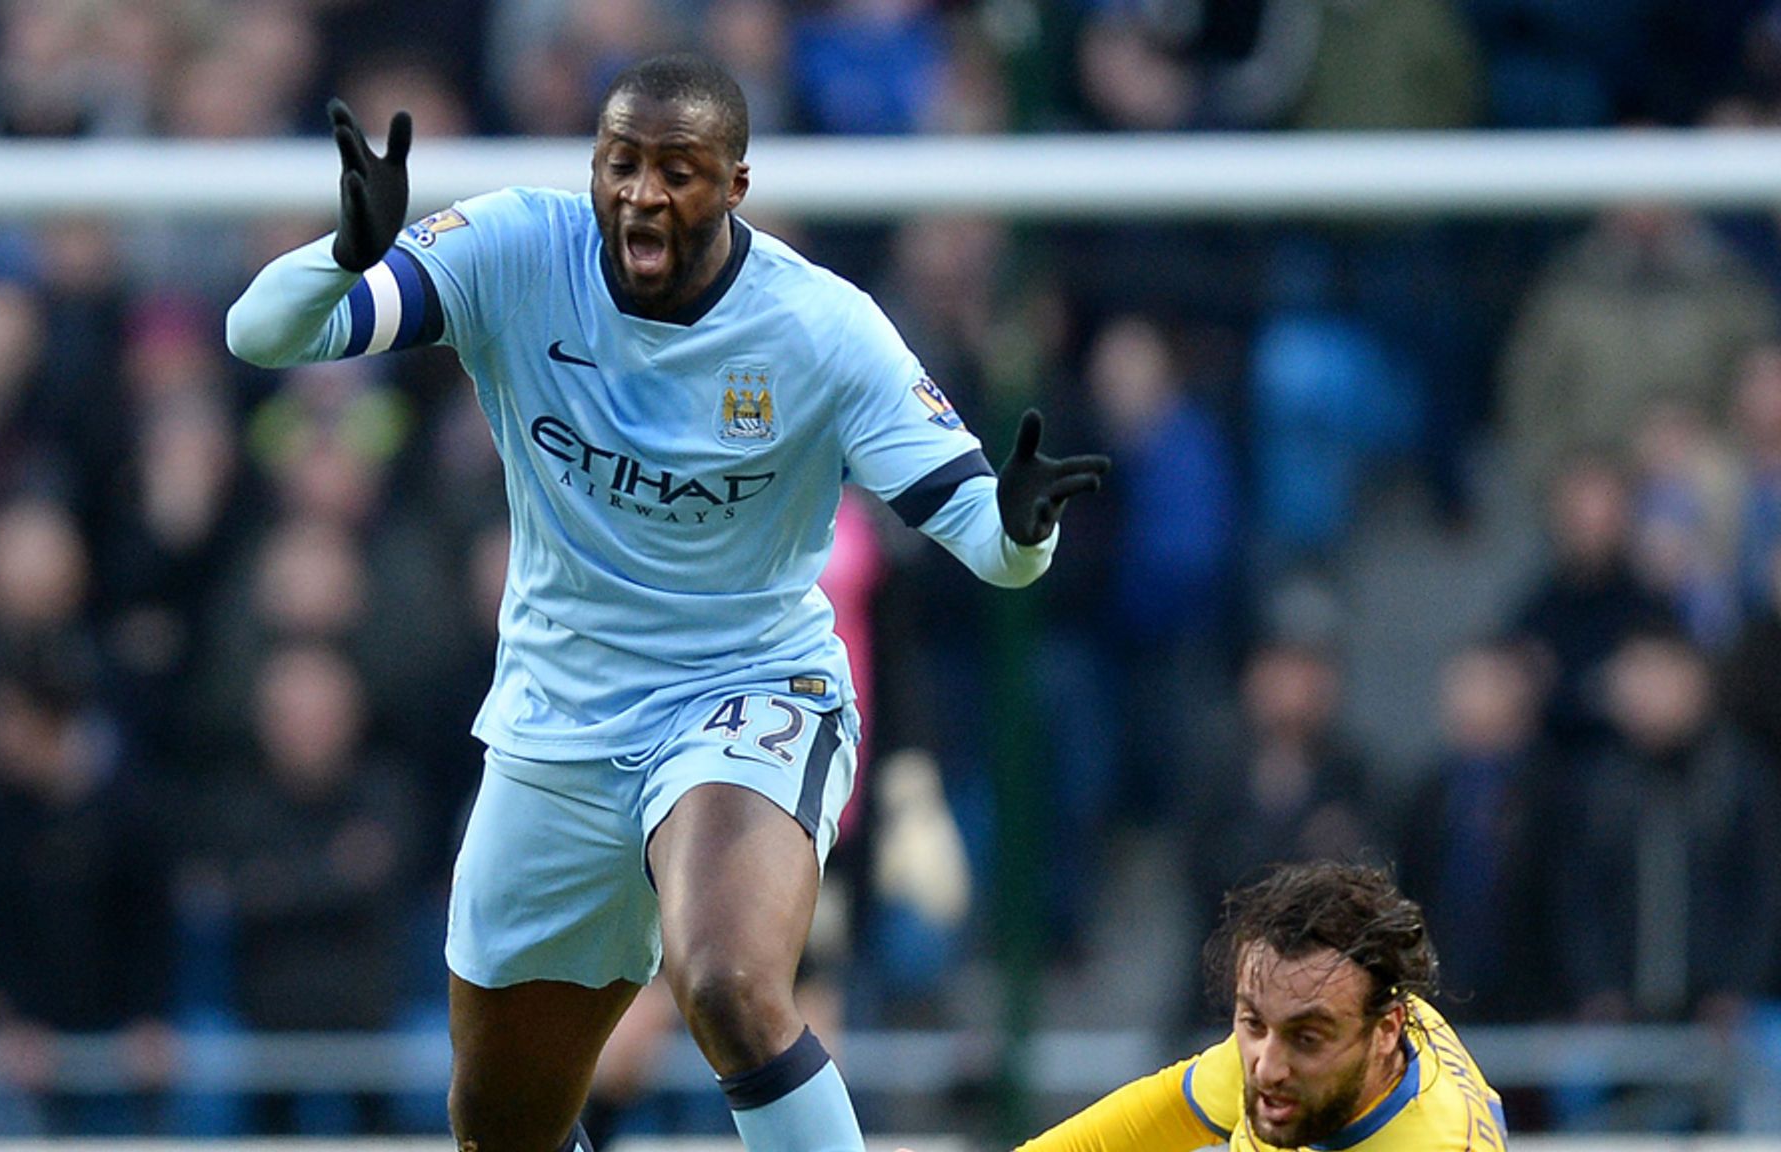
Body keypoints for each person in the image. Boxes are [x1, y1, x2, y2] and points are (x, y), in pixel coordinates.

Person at [227, 51, 1109, 1152]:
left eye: (679, 170)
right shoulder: (514, 250)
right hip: (557, 718)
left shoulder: (819, 329)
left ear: (735, 185)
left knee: (727, 983)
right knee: (500, 1127)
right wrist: (342, 255)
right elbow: (262, 334)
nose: (642, 193)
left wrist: (1025, 527)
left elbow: (985, 540)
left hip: (743, 690)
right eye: (621, 163)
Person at [1011, 860, 1506, 1152]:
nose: (1266, 1067)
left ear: (1386, 1032)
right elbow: (1142, 1125)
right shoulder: (1300, 1035)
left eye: (1306, 1038)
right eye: (1252, 1023)